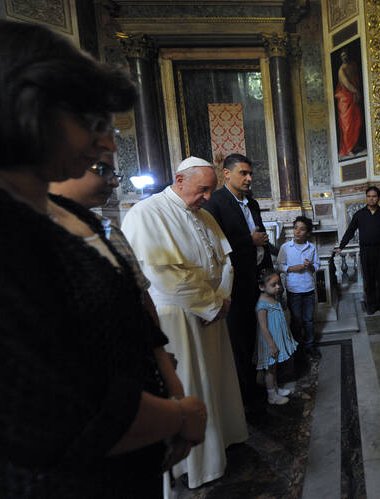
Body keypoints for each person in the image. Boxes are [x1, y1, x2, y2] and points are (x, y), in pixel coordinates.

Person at [0, 20, 206, 498]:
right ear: (29, 110)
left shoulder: (59, 220)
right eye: (91, 123)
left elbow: (125, 323)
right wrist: (181, 414)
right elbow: (63, 413)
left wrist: (169, 396)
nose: (109, 143)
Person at [121, 157, 248, 490]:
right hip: (178, 319)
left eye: (210, 191)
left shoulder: (204, 215)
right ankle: (196, 465)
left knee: (215, 384)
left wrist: (222, 300)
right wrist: (212, 304)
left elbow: (224, 262)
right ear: (179, 180)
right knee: (192, 386)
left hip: (211, 314)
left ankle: (222, 443)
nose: (207, 198)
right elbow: (164, 276)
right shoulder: (146, 214)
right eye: (202, 190)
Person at [49, 153, 184, 399]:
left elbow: (141, 298)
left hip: (133, 370)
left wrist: (160, 358)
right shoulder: (33, 233)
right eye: (103, 170)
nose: (114, 182)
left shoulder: (109, 229)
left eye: (115, 173)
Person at [203, 153, 271, 417]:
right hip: (235, 283)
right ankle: (244, 398)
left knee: (257, 335)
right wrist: (248, 241)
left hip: (256, 280)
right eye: (243, 173)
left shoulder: (251, 203)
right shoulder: (216, 202)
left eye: (250, 173)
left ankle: (256, 386)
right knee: (239, 341)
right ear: (226, 174)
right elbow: (215, 242)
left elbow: (260, 237)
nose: (249, 178)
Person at [334, 186, 380, 315]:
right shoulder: (359, 214)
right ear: (366, 197)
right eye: (369, 196)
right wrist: (341, 246)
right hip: (366, 251)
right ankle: (371, 305)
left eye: (374, 196)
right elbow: (350, 231)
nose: (371, 198)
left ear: (378, 198)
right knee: (369, 278)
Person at [278, 216, 321, 359]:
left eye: (302, 229)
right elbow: (279, 265)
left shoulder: (312, 247)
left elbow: (317, 266)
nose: (297, 231)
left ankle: (310, 346)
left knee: (308, 319)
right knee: (296, 320)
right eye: (295, 228)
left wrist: (310, 266)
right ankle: (296, 346)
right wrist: (291, 268)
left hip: (308, 288)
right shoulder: (286, 247)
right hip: (294, 289)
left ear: (307, 233)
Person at [255, 269, 299, 405]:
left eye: (278, 283)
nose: (278, 287)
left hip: (276, 337)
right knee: (270, 369)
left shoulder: (272, 298)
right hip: (269, 341)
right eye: (273, 285)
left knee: (273, 368)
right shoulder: (262, 304)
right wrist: (271, 344)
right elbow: (263, 327)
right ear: (262, 287)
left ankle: (275, 389)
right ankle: (271, 396)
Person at [335, 49, 363, 158]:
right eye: (342, 56)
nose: (344, 57)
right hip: (345, 100)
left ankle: (355, 145)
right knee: (347, 126)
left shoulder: (353, 65)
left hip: (353, 98)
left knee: (357, 122)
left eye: (345, 55)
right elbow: (347, 84)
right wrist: (356, 91)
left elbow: (357, 80)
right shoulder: (341, 70)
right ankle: (349, 148)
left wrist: (356, 92)